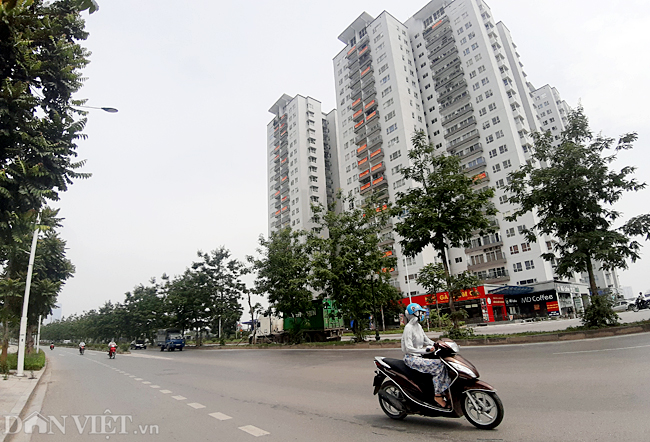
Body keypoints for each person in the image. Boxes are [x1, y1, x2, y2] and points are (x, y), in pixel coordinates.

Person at [401, 302, 451, 409]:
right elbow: (409, 348)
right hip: (411, 358)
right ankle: (437, 396)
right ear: (413, 314)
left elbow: (426, 340)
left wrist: (439, 345)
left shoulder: (418, 326)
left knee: (446, 363)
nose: (422, 315)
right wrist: (425, 351)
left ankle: (444, 391)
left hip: (420, 356)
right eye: (420, 313)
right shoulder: (408, 328)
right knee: (439, 366)